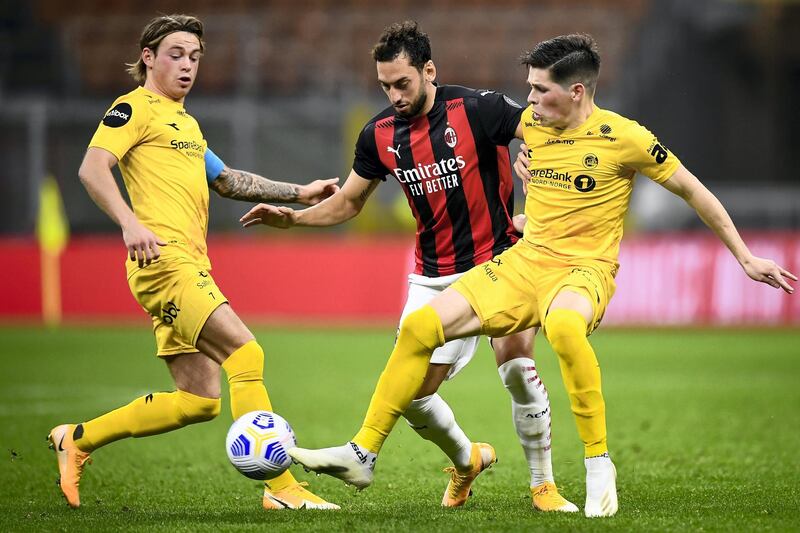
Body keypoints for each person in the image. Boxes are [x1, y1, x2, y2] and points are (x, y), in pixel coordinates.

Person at [281, 33, 797, 518]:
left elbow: (693, 191)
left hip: (584, 270)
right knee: (418, 329)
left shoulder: (626, 136)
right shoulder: (531, 126)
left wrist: (745, 257)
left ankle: (596, 465)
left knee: (564, 331)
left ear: (575, 92)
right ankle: (363, 453)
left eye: (538, 88)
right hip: (523, 262)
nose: (527, 98)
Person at [240, 21, 576, 512]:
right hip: (432, 275)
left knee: (518, 368)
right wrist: (293, 219)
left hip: (501, 261)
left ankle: (543, 486)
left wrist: (536, 162)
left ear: (429, 70)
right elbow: (350, 202)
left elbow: (544, 129)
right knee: (411, 397)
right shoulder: (378, 134)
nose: (395, 95)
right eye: (385, 86)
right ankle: (467, 460)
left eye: (403, 83)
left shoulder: (478, 108)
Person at [48, 14, 341, 511]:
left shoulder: (185, 123)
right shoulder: (133, 108)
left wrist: (299, 192)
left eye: (195, 58)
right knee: (246, 354)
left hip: (189, 265)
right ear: (148, 57)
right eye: (176, 54)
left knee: (199, 401)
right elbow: (92, 168)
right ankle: (282, 488)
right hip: (163, 263)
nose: (188, 67)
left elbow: (225, 180)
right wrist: (128, 222)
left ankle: (76, 439)